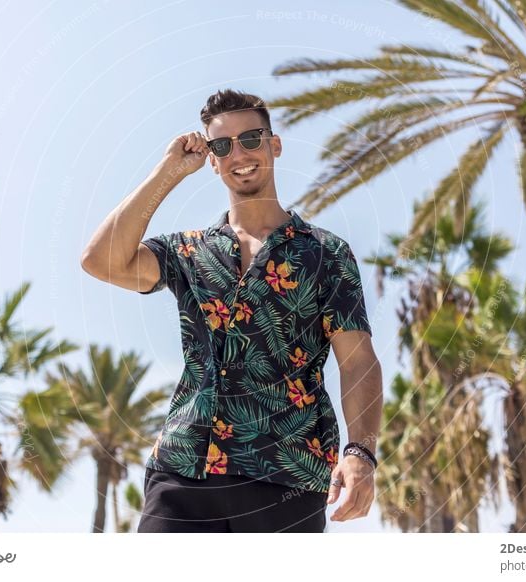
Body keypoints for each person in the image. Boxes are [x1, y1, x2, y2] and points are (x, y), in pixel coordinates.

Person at [81, 89, 382, 532]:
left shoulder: (326, 253)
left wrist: (361, 453)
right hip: (184, 470)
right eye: (222, 146)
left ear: (274, 144)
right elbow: (100, 260)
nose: (238, 153)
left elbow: (357, 360)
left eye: (251, 139)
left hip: (286, 477)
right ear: (213, 161)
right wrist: (169, 171)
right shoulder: (189, 251)